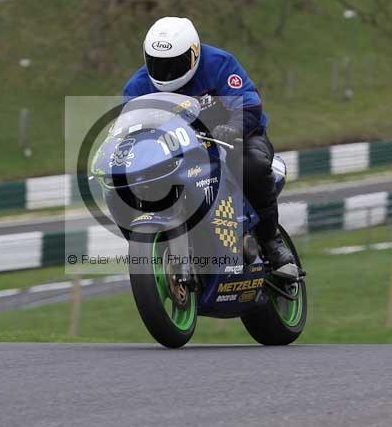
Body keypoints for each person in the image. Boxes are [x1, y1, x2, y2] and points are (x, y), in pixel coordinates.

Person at [122, 16, 294, 269]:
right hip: (177, 150)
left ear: (194, 53)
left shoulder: (219, 63)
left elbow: (248, 100)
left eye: (175, 64)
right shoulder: (137, 87)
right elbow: (128, 128)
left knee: (252, 166)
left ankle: (271, 240)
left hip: (235, 139)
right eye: (158, 64)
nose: (166, 72)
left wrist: (233, 128)